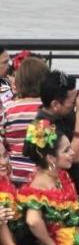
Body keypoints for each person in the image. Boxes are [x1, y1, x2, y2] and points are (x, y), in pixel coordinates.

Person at [19, 119, 79, 245]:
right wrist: (51, 244)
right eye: (66, 150)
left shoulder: (58, 175)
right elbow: (33, 220)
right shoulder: (39, 185)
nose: (72, 153)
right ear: (51, 158)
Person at [0, 138, 43, 245]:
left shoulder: (6, 182)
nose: (3, 162)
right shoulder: (2, 196)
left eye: (4, 155)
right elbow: (8, 244)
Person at [1, 55, 48, 186]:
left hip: (13, 174)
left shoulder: (8, 109)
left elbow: (2, 139)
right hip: (40, 175)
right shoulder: (47, 110)